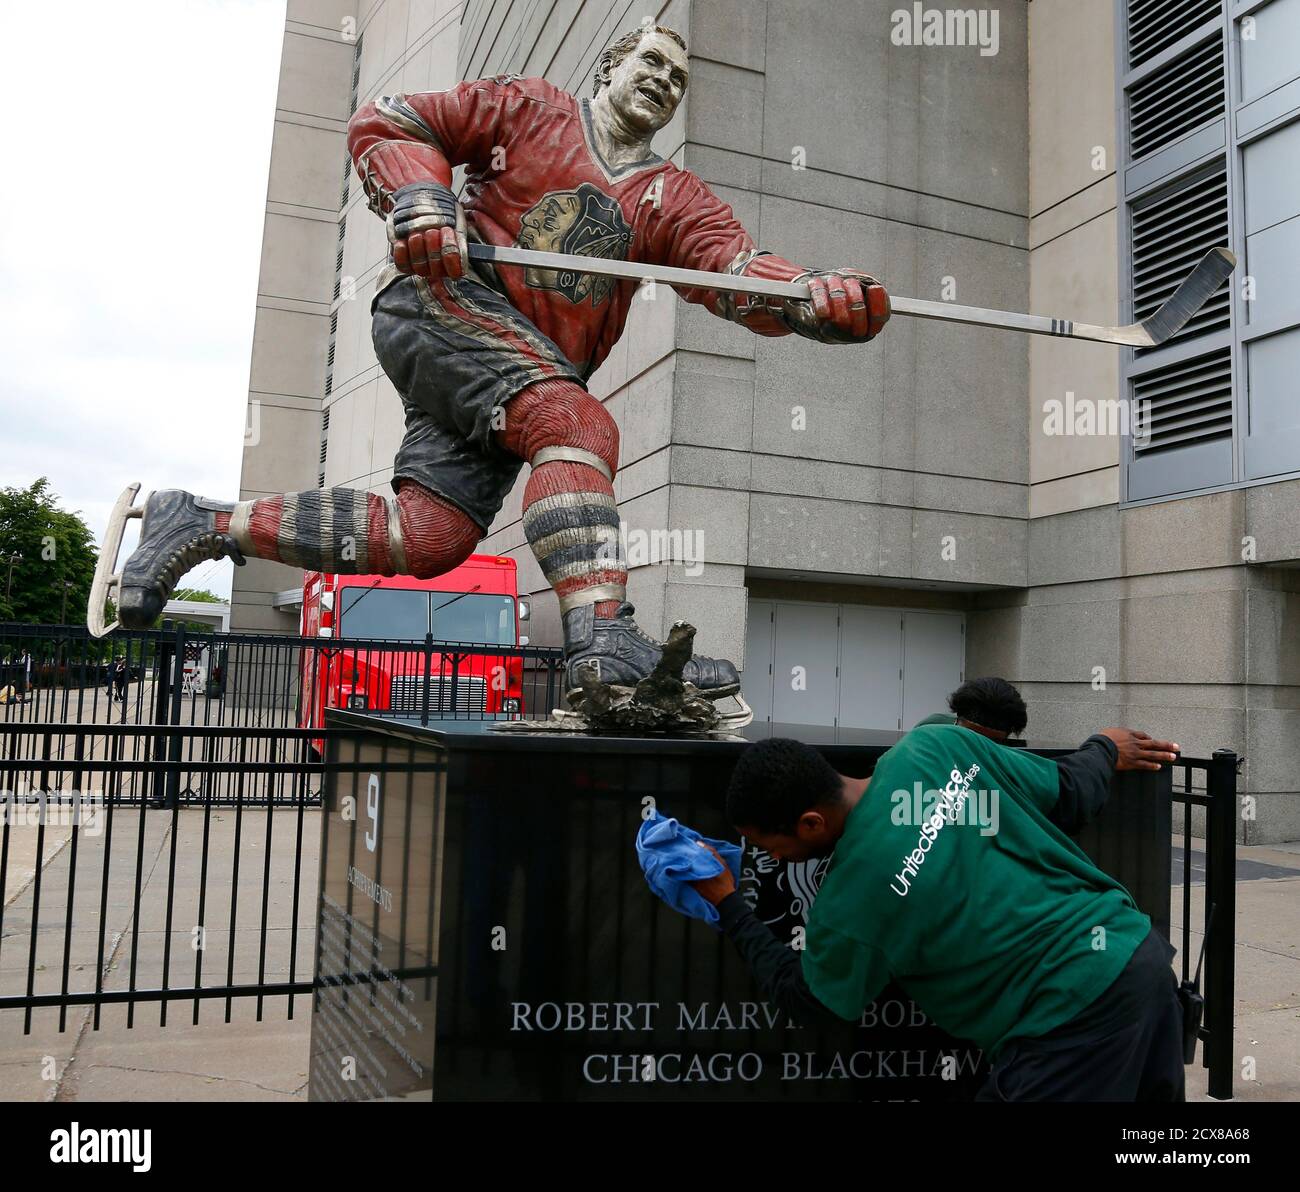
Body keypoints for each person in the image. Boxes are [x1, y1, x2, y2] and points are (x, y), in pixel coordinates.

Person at [103, 23, 889, 697]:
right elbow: (392, 122)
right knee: (575, 421)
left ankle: (202, 522)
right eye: (651, 63)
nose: (664, 81)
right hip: (443, 305)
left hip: (506, 377)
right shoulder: (530, 109)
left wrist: (811, 298)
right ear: (609, 68)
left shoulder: (670, 197)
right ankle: (603, 635)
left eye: (677, 78)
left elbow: (728, 270)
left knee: (431, 538)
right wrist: (420, 197)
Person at [692, 721, 1186, 1101]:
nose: (771, 859)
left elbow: (808, 999)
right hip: (1134, 954)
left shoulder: (852, 900)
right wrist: (1103, 746)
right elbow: (1069, 793)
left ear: (810, 822)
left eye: (768, 845)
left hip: (1068, 1015)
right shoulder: (935, 747)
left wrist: (727, 902)